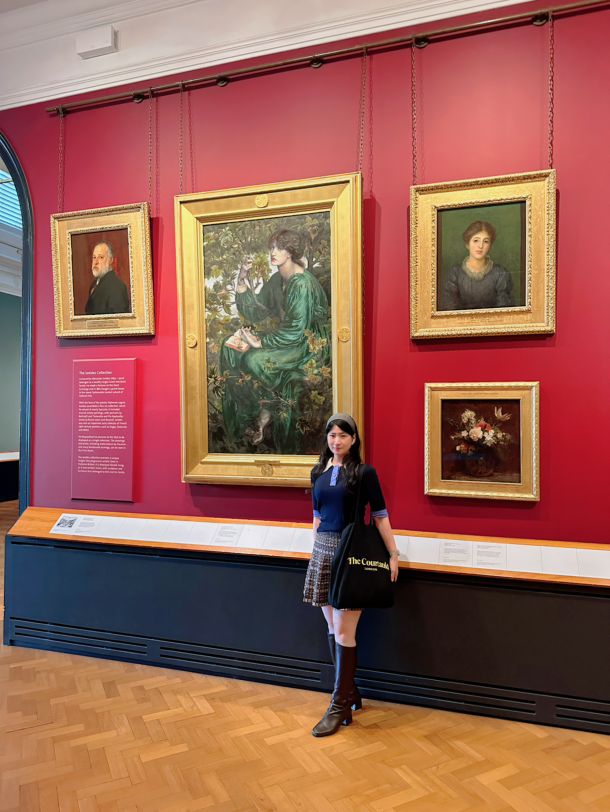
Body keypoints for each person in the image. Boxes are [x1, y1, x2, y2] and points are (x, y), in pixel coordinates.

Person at [303, 414, 399, 737]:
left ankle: (339, 705)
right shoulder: (318, 471)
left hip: (350, 552)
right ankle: (350, 692)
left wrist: (393, 554)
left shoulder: (363, 472)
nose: (337, 440)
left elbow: (381, 516)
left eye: (343, 435)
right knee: (332, 627)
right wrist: (315, 551)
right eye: (332, 435)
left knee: (345, 631)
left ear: (354, 439)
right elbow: (316, 516)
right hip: (323, 552)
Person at [220, 229, 330, 453]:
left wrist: (261, 342)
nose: (273, 252)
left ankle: (263, 414)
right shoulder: (277, 279)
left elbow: (297, 330)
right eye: (272, 247)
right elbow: (256, 311)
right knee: (230, 346)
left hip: (306, 345)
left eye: (279, 248)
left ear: (290, 252)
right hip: (286, 337)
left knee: (253, 360)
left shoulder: (301, 283)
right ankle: (250, 418)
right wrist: (242, 278)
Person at [440, 221, 515, 311]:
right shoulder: (455, 274)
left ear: (490, 245)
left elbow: (504, 308)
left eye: (486, 241)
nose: (480, 246)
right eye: (476, 241)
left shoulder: (501, 273)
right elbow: (449, 309)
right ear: (467, 244)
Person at [84, 241, 130, 315]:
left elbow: (119, 320)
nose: (95, 262)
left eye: (101, 257)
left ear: (110, 260)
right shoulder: (94, 284)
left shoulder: (117, 286)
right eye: (94, 257)